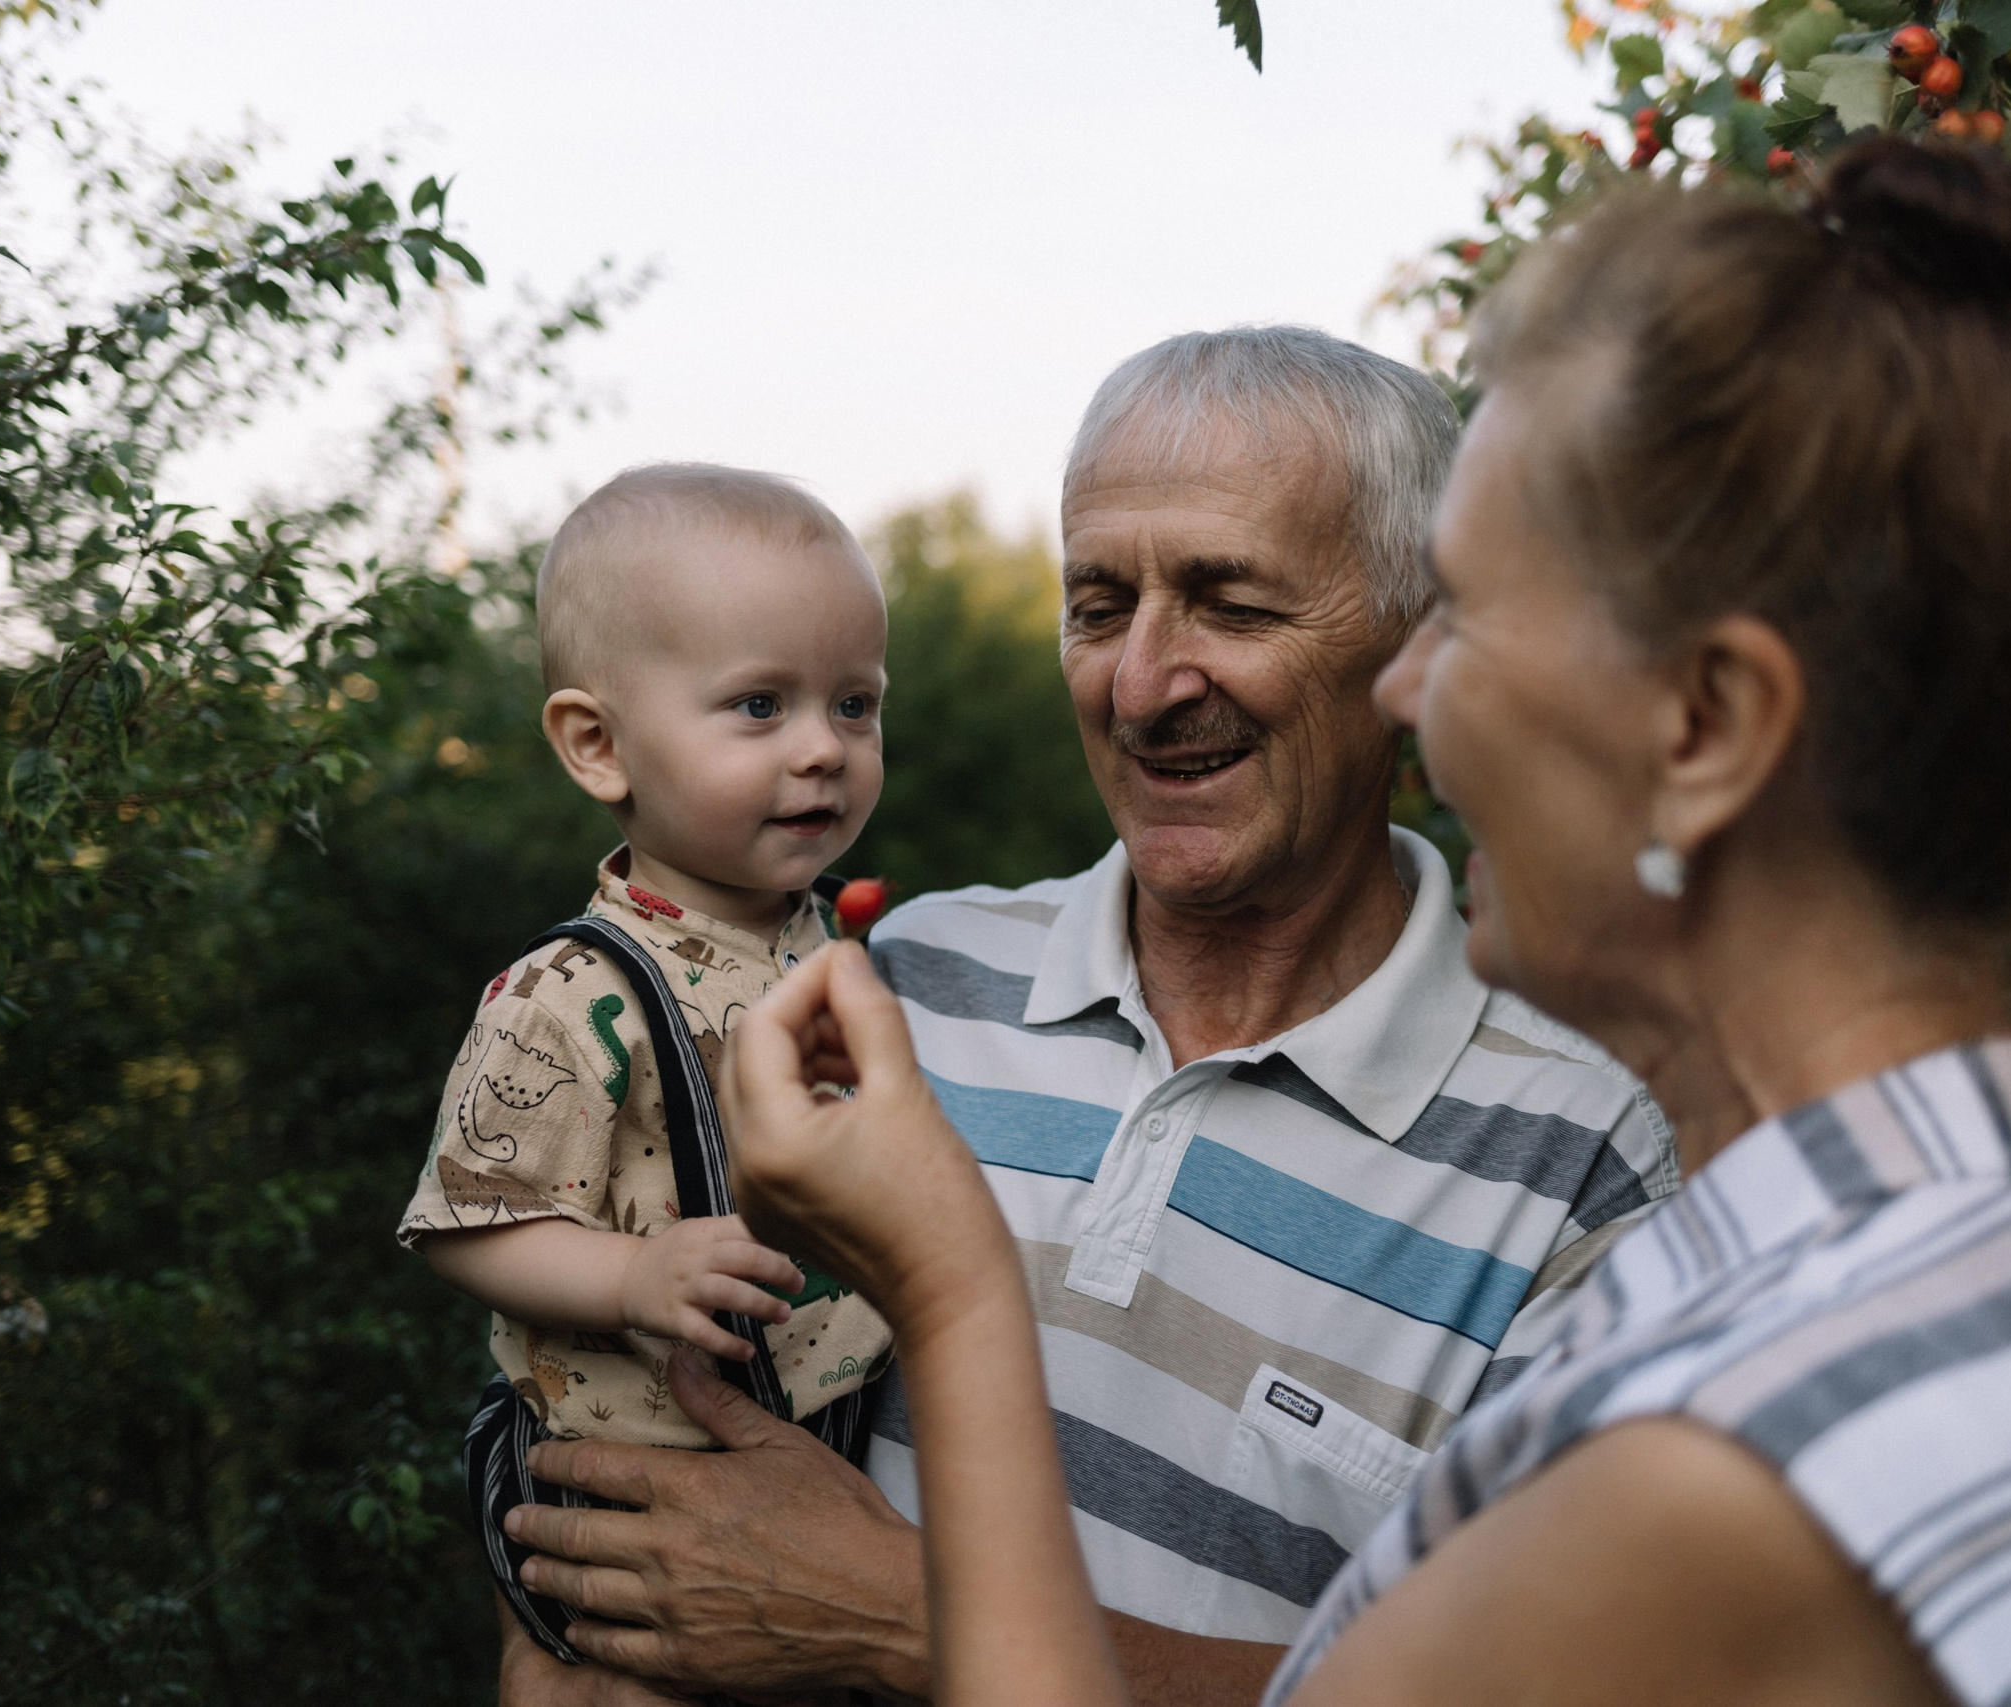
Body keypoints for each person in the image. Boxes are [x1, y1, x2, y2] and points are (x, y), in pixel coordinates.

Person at [712, 139, 2011, 1707]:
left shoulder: (1707, 1474)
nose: (1413, 689)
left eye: (1469, 612)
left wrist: (959, 1294)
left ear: (1704, 727)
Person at [496, 329, 1676, 1705]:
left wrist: (905, 1619)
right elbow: (601, 1445)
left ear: (1419, 640)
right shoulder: (892, 991)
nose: (1142, 682)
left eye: (1231, 603)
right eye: (1100, 604)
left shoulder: (1584, 1155)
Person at [395, 462, 894, 1669]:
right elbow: (467, 1225)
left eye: (856, 705)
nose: (824, 749)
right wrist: (631, 1279)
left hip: (836, 1440)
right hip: (635, 1495)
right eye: (760, 707)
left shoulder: (823, 938)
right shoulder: (572, 998)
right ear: (597, 744)